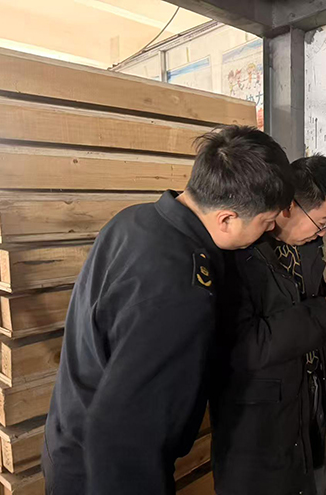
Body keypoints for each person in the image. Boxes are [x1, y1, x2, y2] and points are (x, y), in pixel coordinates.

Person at [42, 126, 295, 495]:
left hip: (67, 436)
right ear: (226, 219)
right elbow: (123, 438)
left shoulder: (136, 219)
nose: (268, 231)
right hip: (103, 476)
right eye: (266, 223)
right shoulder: (181, 293)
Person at [211, 154, 326, 495]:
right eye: (322, 222)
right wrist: (325, 311)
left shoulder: (307, 247)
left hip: (308, 401)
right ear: (288, 207)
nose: (324, 232)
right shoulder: (240, 252)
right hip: (258, 422)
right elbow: (246, 345)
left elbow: (310, 300)